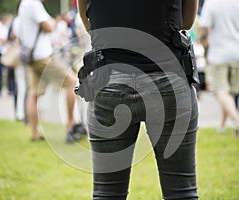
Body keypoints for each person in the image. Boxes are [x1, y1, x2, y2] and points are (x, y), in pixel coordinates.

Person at [77, 0, 199, 199]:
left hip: (109, 80)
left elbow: (88, 20)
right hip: (168, 79)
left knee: (107, 193)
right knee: (181, 192)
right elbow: (186, 21)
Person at [18, 0, 86, 142]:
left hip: (31, 56)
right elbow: (49, 27)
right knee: (72, 82)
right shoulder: (34, 4)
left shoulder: (23, 5)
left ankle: (35, 133)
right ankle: (71, 124)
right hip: (43, 56)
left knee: (33, 94)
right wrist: (53, 22)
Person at [199, 0, 239, 133]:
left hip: (218, 54)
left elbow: (203, 32)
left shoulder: (212, 3)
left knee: (220, 91)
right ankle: (223, 125)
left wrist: (206, 53)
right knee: (229, 93)